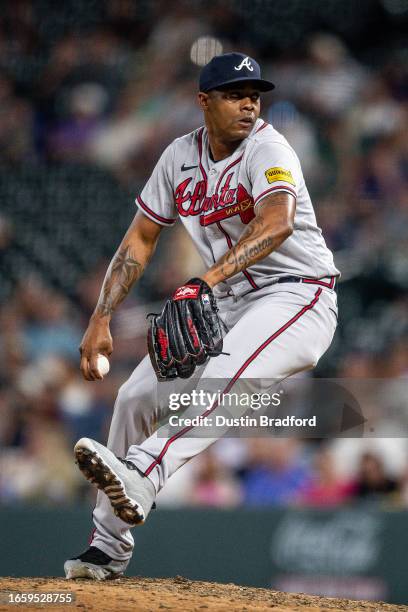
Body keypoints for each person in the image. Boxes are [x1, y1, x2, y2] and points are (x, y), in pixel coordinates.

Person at [64, 52, 339, 580]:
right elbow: (141, 238)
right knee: (134, 397)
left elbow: (277, 221)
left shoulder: (269, 147)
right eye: (235, 94)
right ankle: (107, 548)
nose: (249, 104)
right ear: (203, 102)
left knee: (225, 376)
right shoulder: (177, 157)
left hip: (297, 296)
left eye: (254, 94)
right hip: (229, 301)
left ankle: (145, 470)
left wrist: (204, 282)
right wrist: (100, 317)